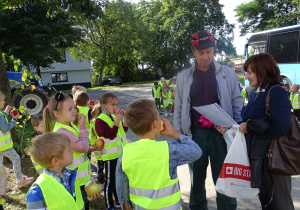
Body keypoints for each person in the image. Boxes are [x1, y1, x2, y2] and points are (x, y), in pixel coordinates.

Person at [174, 30, 243, 210]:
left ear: (214, 49)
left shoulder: (227, 72)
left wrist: (236, 129)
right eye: (201, 53)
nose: (205, 57)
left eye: (209, 52)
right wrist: (178, 135)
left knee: (224, 177)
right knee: (196, 179)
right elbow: (179, 106)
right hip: (195, 135)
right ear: (193, 51)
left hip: (222, 134)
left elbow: (237, 101)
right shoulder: (183, 76)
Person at [116, 99, 202, 210]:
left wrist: (126, 206)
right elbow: (196, 151)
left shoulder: (126, 152)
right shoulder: (168, 149)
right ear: (154, 123)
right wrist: (173, 133)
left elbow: (121, 187)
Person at [239, 53, 294, 210]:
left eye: (250, 72)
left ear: (262, 70)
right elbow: (254, 119)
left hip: (274, 162)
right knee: (268, 202)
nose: (247, 76)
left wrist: (248, 128)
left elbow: (281, 127)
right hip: (262, 160)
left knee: (279, 204)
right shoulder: (262, 92)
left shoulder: (276, 92)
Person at [43, 92, 102, 210]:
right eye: (70, 109)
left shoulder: (68, 126)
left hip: (80, 178)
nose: (74, 111)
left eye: (74, 107)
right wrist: (82, 126)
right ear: (56, 114)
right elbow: (83, 147)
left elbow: (78, 149)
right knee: (80, 206)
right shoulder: (63, 131)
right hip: (76, 181)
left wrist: (91, 148)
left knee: (85, 205)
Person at [26, 132, 100, 209]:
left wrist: (86, 197)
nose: (73, 152)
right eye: (69, 150)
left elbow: (71, 199)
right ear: (56, 161)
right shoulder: (37, 193)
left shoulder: (69, 175)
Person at [91, 92, 128, 210]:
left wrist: (124, 118)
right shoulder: (100, 121)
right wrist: (117, 120)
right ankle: (109, 205)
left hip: (119, 154)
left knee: (118, 180)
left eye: (116, 104)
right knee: (110, 182)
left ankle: (117, 200)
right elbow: (111, 135)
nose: (115, 107)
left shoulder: (112, 117)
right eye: (113, 104)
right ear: (103, 106)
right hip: (110, 157)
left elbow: (124, 129)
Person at [0, 91, 34, 200]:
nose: (4, 102)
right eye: (3, 100)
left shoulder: (1, 114)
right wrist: (14, 119)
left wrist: (6, 111)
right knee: (16, 159)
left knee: (0, 168)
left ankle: (1, 187)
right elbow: (5, 128)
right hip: (4, 146)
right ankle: (20, 181)